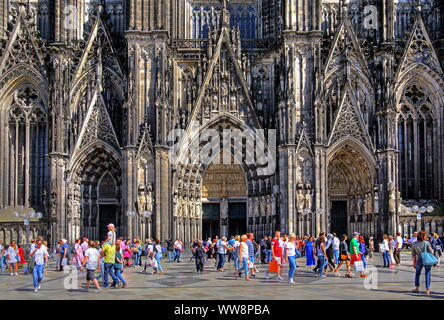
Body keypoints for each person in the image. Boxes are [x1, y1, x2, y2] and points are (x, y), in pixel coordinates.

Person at [411, 230, 434, 295]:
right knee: (427, 274)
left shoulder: (414, 244)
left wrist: (414, 262)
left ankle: (417, 288)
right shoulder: (427, 243)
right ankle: (427, 289)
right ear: (424, 236)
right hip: (427, 260)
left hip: (419, 260)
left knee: (417, 273)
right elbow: (431, 252)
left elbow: (413, 254)